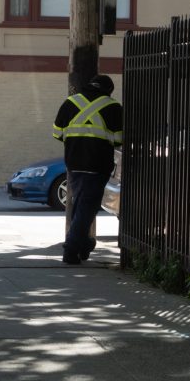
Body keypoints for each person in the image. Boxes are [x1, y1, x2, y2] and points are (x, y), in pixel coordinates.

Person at [52, 74, 123, 265]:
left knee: (81, 204)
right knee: (87, 206)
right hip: (98, 164)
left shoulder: (70, 102)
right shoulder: (113, 107)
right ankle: (71, 249)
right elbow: (118, 139)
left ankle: (84, 243)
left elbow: (57, 132)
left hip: (74, 162)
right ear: (108, 90)